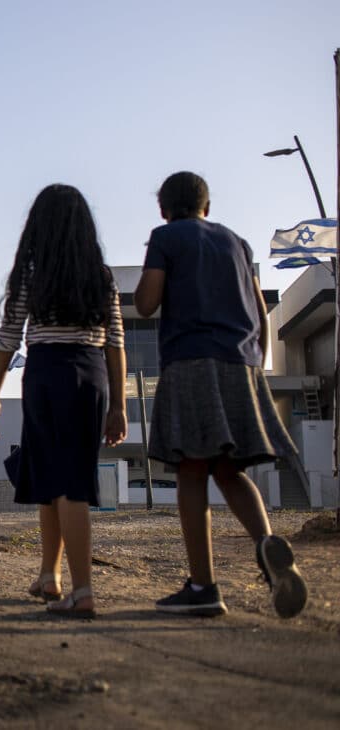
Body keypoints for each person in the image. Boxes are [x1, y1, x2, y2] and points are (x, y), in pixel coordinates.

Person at [134, 171, 308, 618]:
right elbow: (258, 309)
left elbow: (146, 302)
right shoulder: (236, 242)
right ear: (207, 207)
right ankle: (266, 541)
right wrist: (257, 367)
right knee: (229, 469)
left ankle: (203, 586)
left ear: (164, 209)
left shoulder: (166, 236)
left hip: (191, 360)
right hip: (243, 363)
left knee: (191, 471)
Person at [0, 184, 127, 619]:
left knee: (67, 484)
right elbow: (116, 342)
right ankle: (50, 575)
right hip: (91, 374)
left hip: (46, 374)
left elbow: (7, 339)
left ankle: (82, 591)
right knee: (51, 478)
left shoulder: (31, 275)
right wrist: (118, 404)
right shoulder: (100, 276)